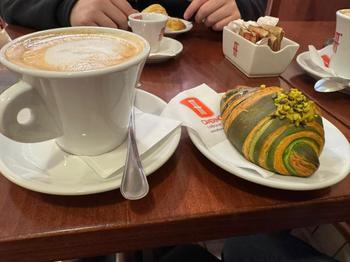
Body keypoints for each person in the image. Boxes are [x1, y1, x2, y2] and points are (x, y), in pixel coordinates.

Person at [0, 0, 267, 31]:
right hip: (87, 67)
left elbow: (256, 3)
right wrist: (66, 6)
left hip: (203, 73)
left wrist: (241, 6)